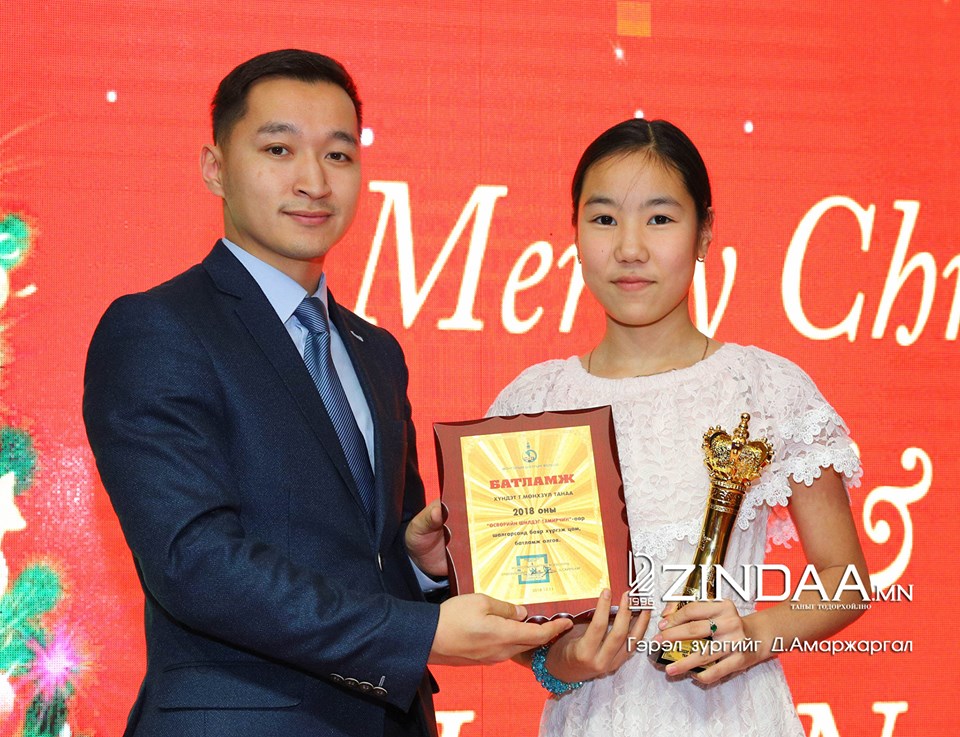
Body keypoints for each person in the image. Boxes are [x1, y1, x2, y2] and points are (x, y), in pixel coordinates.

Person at [83, 49, 570, 737]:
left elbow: (366, 554)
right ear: (214, 167)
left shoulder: (377, 351)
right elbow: (192, 560)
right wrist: (417, 633)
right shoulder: (159, 328)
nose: (313, 181)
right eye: (279, 149)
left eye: (338, 155)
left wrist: (421, 566)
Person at [487, 118, 869, 736]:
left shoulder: (765, 389)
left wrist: (753, 634)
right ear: (574, 232)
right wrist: (562, 662)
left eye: (660, 218)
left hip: (735, 717)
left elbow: (844, 582)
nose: (629, 248)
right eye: (604, 218)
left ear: (704, 232)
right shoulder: (533, 403)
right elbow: (509, 615)